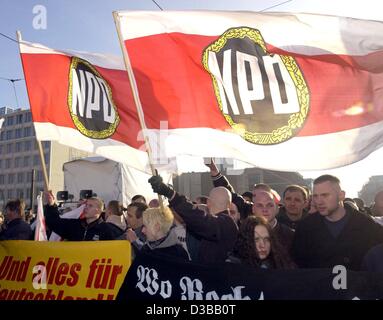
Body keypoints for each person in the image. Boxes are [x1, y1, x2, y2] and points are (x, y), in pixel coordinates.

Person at [292, 175, 383, 270]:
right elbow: (298, 262)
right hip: (318, 283)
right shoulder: (305, 227)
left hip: (357, 283)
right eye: (315, 196)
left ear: (341, 195)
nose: (319, 201)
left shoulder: (368, 226)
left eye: (325, 195)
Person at [149, 175, 238, 265]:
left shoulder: (226, 223)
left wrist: (170, 193)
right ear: (229, 204)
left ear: (208, 202)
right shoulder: (225, 223)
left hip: (214, 276)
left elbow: (199, 219)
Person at [44, 191, 119, 241]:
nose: (86, 207)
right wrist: (51, 205)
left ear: (99, 210)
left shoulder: (106, 230)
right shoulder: (75, 225)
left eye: (90, 206)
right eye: (86, 205)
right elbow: (55, 223)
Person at [227, 216, 296, 269]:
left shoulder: (280, 264)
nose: (262, 245)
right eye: (256, 240)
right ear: (244, 241)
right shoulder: (232, 267)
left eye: (266, 239)